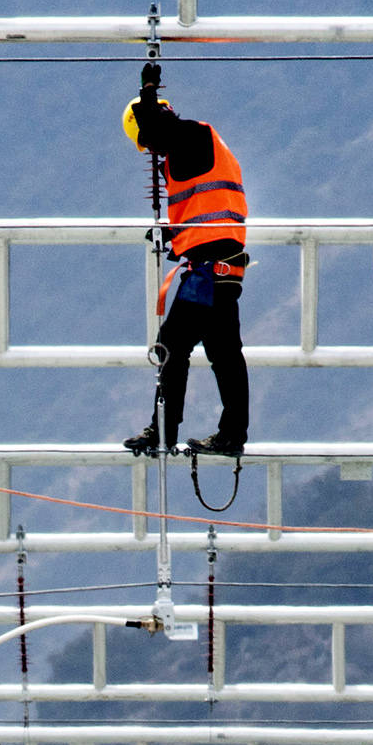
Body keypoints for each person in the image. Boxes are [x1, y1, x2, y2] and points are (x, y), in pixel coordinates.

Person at [121, 64, 252, 458]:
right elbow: (204, 216)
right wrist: (174, 237)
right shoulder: (201, 146)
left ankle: (163, 432)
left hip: (208, 272)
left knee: (171, 345)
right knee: (225, 353)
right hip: (223, 266)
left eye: (147, 142)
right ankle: (232, 436)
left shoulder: (192, 136)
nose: (153, 149)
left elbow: (160, 129)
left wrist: (146, 91)